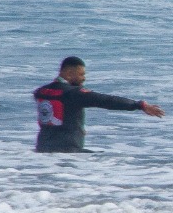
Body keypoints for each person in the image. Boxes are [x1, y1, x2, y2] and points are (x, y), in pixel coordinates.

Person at [33, 56, 164, 153]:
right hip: (68, 152)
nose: (84, 78)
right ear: (68, 73)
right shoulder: (73, 93)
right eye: (81, 74)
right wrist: (139, 105)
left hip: (42, 150)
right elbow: (106, 100)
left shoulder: (41, 92)